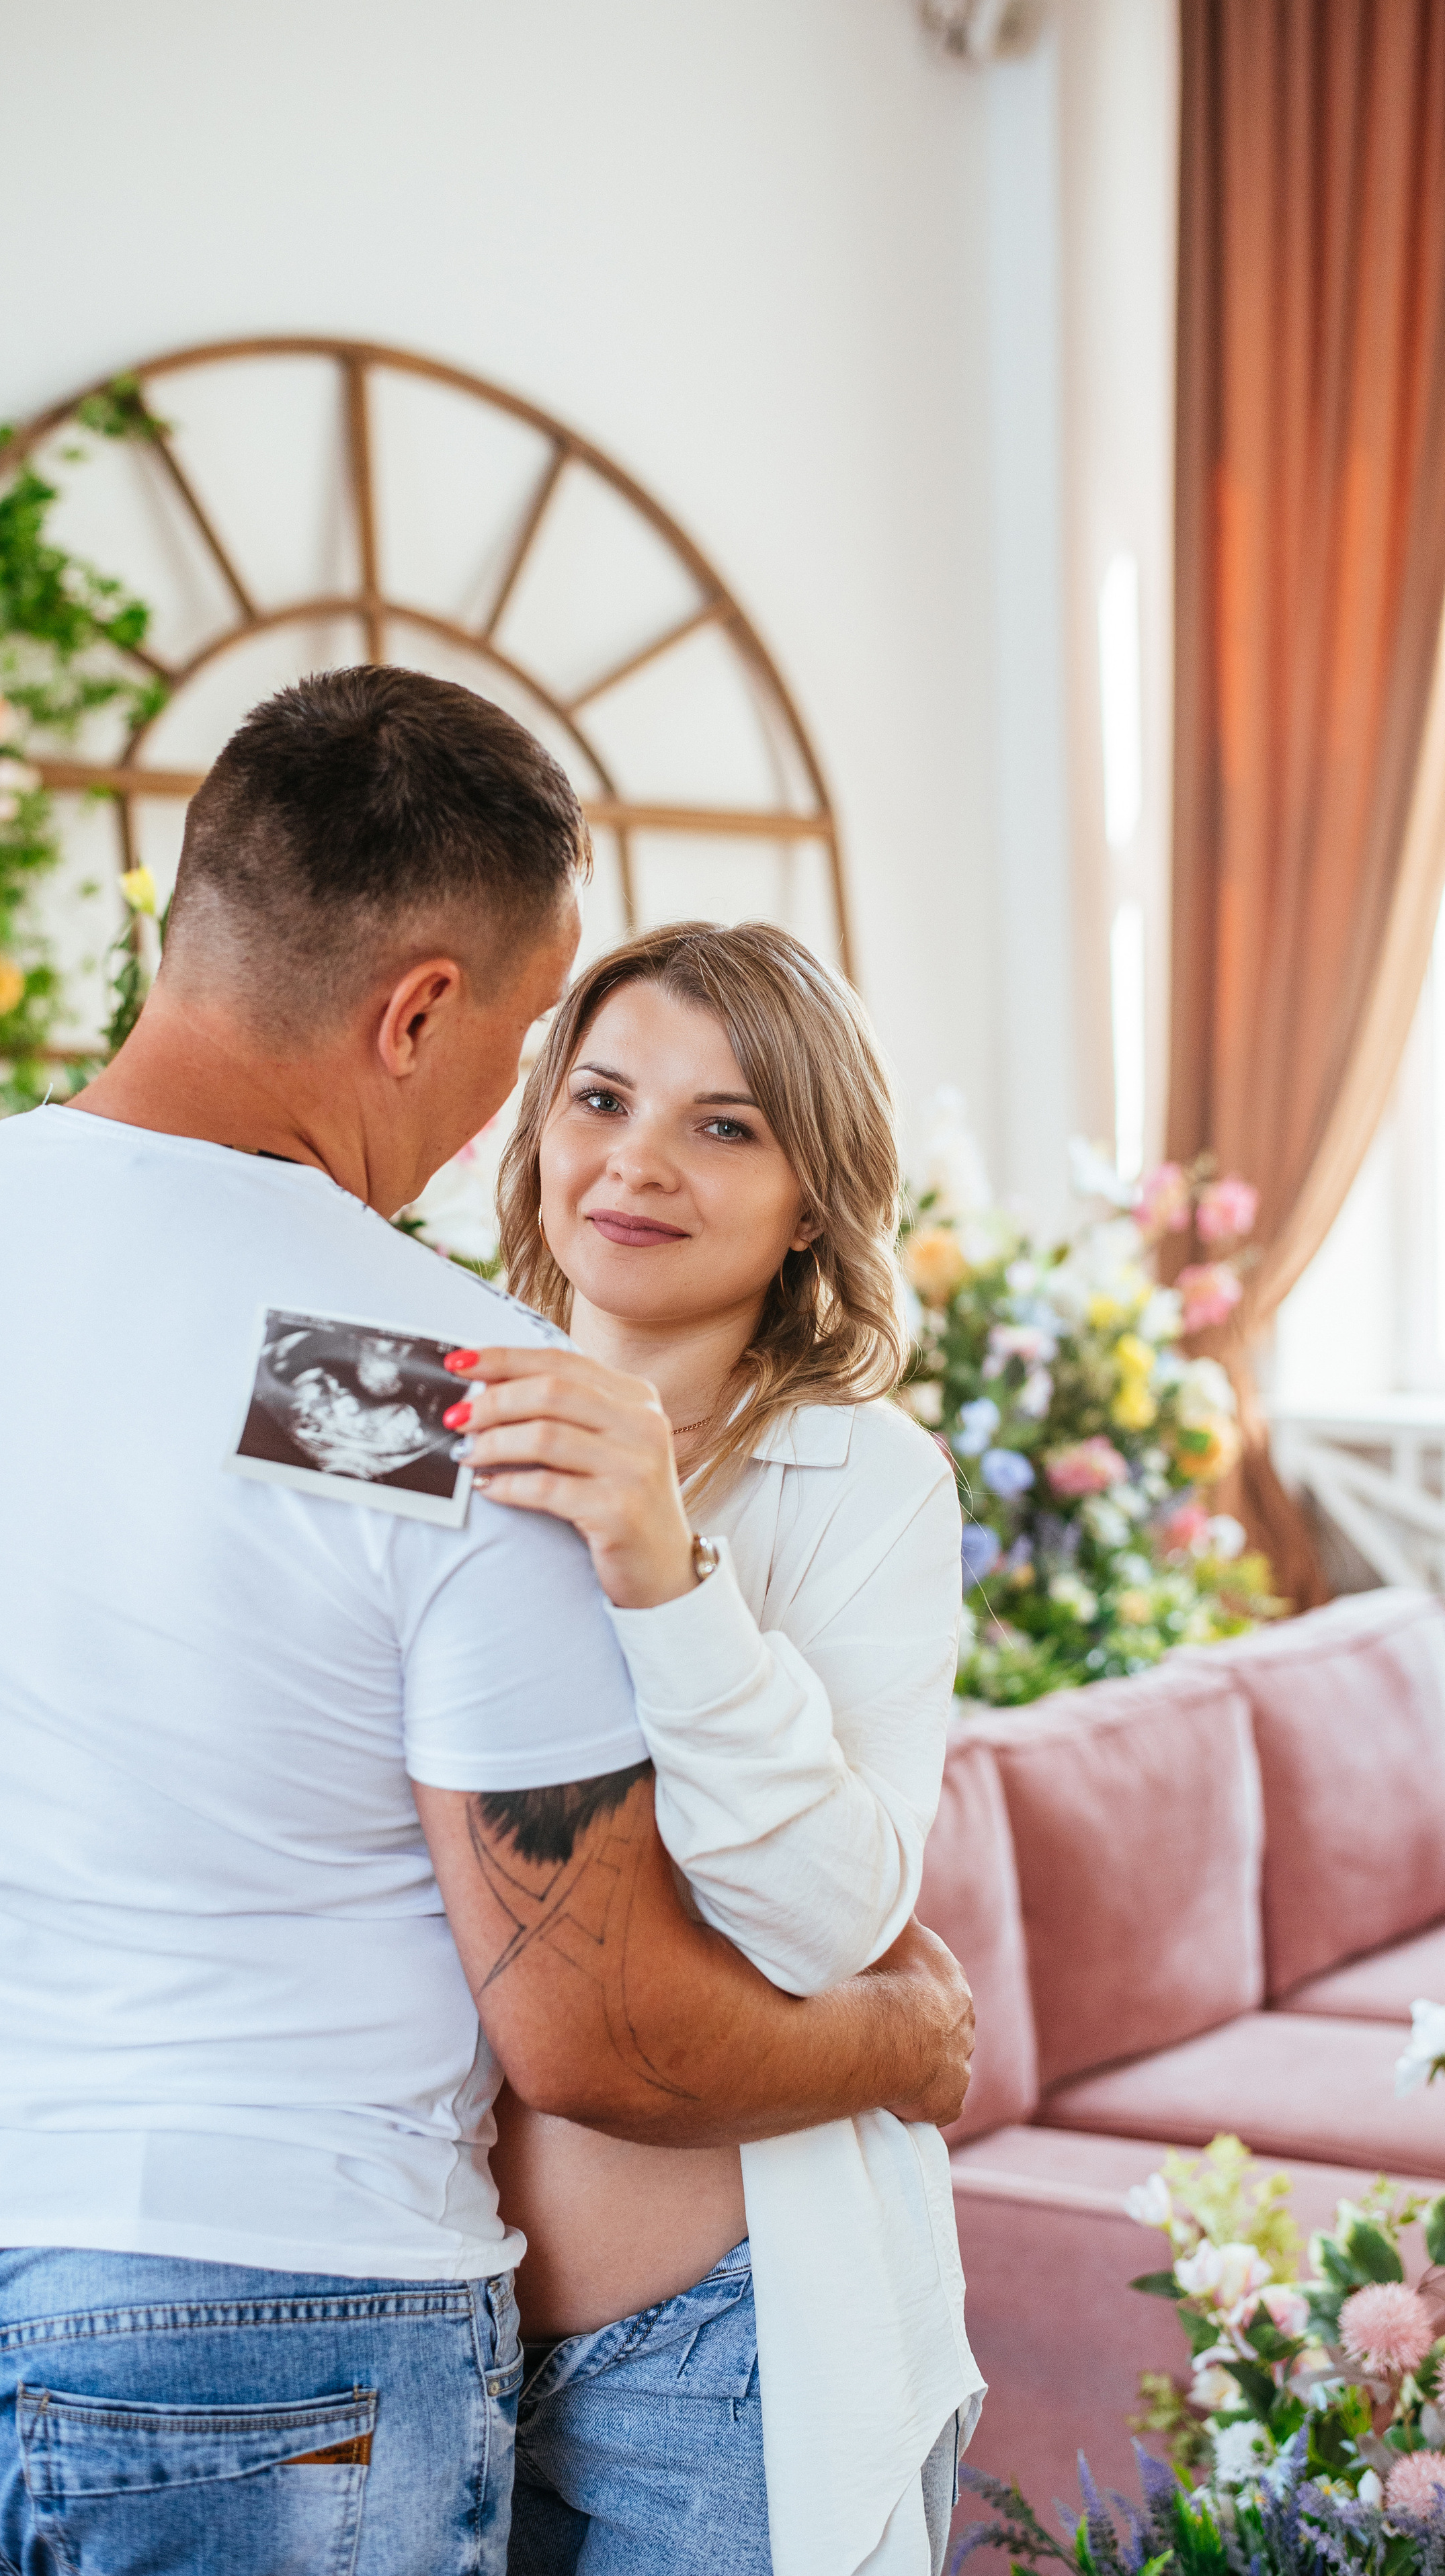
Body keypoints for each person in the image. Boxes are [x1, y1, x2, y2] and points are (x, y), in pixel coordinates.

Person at [0, 670, 973, 2576]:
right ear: (418, 1011)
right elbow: (585, 2021)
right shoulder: (426, 1371)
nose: (598, 1147)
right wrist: (907, 2039)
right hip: (252, 2315)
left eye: (725, 1126)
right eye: (551, 1065)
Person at [445, 921, 983, 2575]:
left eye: (724, 1124)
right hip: (410, 2341)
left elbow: (830, 1925)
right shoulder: (422, 1403)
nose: (636, 1163)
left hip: (721, 2361)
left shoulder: (864, 1480)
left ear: (812, 1194)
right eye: (600, 1097)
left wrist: (659, 1568)